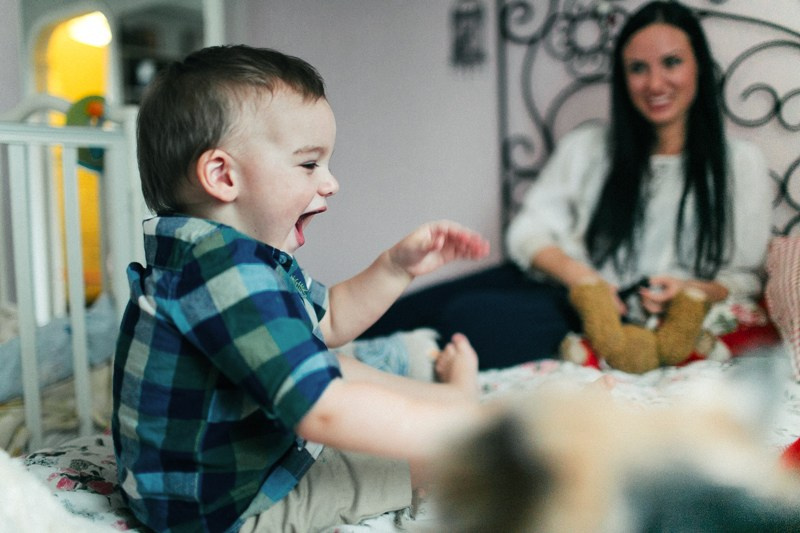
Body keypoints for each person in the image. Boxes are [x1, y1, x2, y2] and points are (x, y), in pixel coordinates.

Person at [111, 44, 491, 533]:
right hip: (224, 508)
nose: (331, 183)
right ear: (223, 175)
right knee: (421, 462)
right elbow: (323, 414)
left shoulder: (212, 258)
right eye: (309, 164)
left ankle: (446, 401)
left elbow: (328, 318)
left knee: (326, 358)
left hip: (201, 481)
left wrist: (397, 266)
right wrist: (463, 437)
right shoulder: (227, 274)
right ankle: (457, 413)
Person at [364, 0, 774, 370]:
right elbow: (527, 232)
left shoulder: (740, 164)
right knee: (396, 309)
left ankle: (356, 379)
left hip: (608, 316)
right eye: (637, 68)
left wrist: (688, 288)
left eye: (671, 62)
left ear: (698, 66)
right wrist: (582, 278)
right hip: (565, 284)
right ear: (622, 77)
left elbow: (744, 279)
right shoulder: (591, 146)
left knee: (466, 319)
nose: (654, 83)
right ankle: (311, 356)